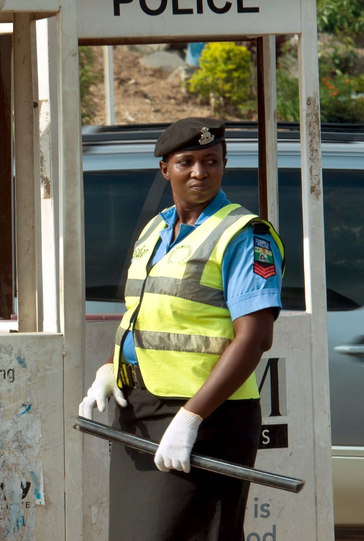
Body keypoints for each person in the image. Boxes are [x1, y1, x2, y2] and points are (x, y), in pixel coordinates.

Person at [79, 117, 284, 541]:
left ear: (224, 164)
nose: (199, 172)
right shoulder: (157, 228)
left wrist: (192, 418)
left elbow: (256, 338)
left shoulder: (245, 235)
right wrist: (111, 369)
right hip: (141, 409)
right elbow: (149, 316)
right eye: (186, 162)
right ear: (165, 169)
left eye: (211, 161)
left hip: (207, 416)